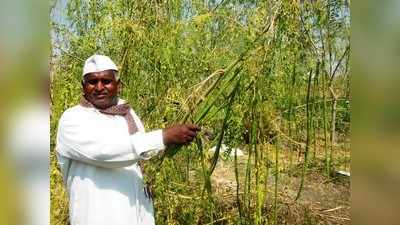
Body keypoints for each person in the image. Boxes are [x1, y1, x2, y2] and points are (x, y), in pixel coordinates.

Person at [56, 54, 200, 225]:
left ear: (118, 84)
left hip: (136, 213)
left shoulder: (127, 113)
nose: (99, 87)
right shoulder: (73, 119)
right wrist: (164, 136)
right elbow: (104, 152)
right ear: (83, 86)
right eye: (92, 82)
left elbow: (141, 154)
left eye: (106, 81)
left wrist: (175, 139)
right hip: (95, 216)